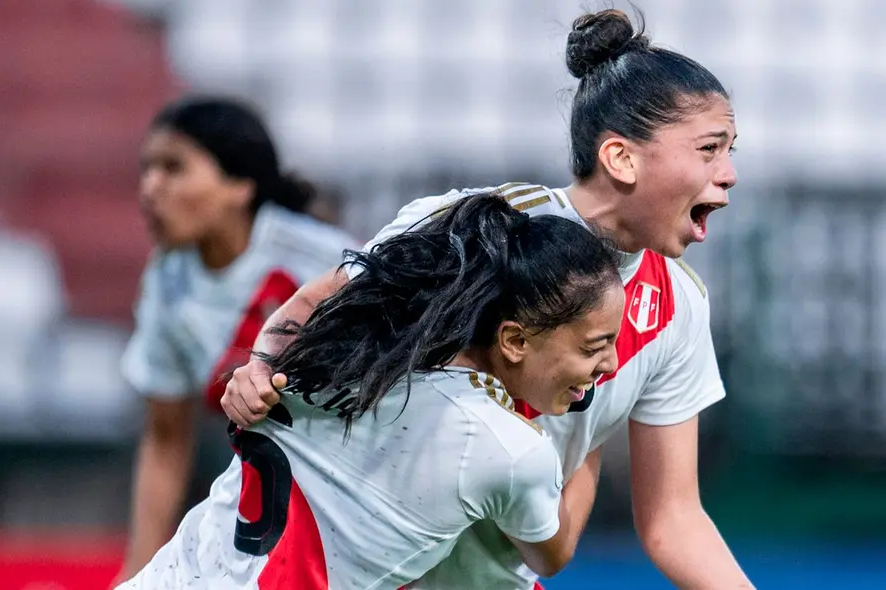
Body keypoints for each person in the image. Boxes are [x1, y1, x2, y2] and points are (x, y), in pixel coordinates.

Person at [223, 8, 754, 590]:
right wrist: (262, 365)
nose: (728, 173)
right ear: (621, 158)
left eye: (729, 151)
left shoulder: (680, 309)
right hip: (352, 564)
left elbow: (673, 518)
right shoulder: (481, 227)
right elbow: (319, 303)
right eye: (709, 149)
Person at [118, 192, 626, 589]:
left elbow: (305, 302)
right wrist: (593, 434)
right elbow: (550, 554)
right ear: (513, 340)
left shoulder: (348, 348)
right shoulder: (510, 451)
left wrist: (258, 361)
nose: (611, 363)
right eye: (595, 346)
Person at [115, 96, 358, 582]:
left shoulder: (321, 261)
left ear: (240, 185)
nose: (150, 188)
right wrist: (135, 573)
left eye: (173, 168)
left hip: (361, 499)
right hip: (271, 509)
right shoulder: (167, 282)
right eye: (147, 169)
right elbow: (166, 437)